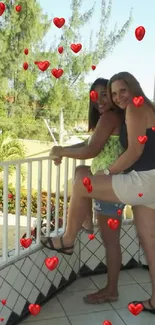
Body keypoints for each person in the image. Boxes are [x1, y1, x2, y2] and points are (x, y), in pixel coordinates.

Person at [42, 71, 155, 314]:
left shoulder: (132, 109)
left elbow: (131, 151)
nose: (114, 97)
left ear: (132, 87)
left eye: (118, 91)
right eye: (112, 94)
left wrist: (107, 171)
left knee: (83, 184)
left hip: (140, 181)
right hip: (148, 184)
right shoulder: (143, 108)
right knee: (150, 244)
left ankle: (68, 239)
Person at [44, 77, 126, 303]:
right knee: (81, 172)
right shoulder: (108, 118)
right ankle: (84, 222)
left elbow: (91, 150)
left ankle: (111, 290)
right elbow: (86, 146)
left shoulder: (111, 116)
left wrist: (60, 151)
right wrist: (61, 150)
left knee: (111, 242)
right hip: (107, 184)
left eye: (104, 94)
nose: (98, 100)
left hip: (111, 186)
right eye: (94, 95)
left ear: (113, 96)